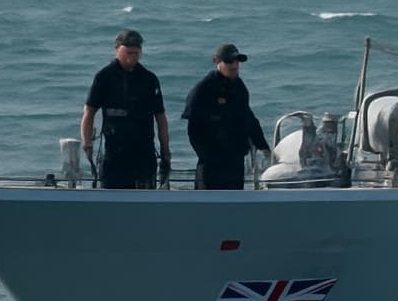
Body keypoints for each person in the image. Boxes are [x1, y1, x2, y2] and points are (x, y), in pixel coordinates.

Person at [80, 29, 170, 189]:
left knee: (146, 201)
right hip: (115, 153)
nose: (133, 57)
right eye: (128, 52)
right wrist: (87, 143)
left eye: (136, 53)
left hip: (144, 152)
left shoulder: (148, 79)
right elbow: (89, 112)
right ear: (117, 50)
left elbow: (161, 118)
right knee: (112, 200)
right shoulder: (104, 77)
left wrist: (165, 152)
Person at [183, 43, 271, 190]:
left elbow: (248, 119)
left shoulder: (239, 86)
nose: (234, 65)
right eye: (229, 61)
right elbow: (193, 131)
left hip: (235, 161)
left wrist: (263, 146)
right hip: (211, 165)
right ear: (216, 61)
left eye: (237, 61)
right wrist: (207, 156)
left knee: (236, 205)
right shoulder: (204, 88)